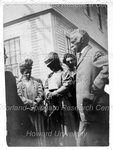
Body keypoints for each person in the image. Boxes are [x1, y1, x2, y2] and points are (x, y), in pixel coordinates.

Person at [70, 28, 109, 146]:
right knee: (84, 141)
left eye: (72, 41)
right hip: (85, 108)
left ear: (81, 40)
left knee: (95, 141)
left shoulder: (94, 53)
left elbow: (109, 64)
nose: (71, 45)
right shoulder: (81, 56)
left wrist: (96, 86)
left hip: (93, 106)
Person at [44, 52, 77, 146]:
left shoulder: (64, 73)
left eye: (52, 65)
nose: (50, 67)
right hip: (53, 104)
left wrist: (54, 93)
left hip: (63, 102)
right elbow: (46, 86)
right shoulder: (50, 76)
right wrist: (47, 93)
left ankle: (69, 143)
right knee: (56, 124)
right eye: (49, 66)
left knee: (66, 124)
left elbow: (66, 86)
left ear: (56, 63)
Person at [17, 58, 46, 146]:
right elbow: (20, 97)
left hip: (37, 111)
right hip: (27, 112)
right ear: (22, 73)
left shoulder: (37, 82)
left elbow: (41, 94)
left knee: (40, 131)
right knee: (30, 132)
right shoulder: (19, 84)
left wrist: (36, 103)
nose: (28, 74)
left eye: (29, 72)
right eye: (26, 73)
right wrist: (31, 103)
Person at [63, 53, 79, 131]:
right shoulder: (65, 73)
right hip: (70, 97)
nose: (70, 63)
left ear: (74, 60)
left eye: (71, 60)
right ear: (65, 63)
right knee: (74, 115)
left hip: (79, 93)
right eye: (67, 62)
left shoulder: (79, 70)